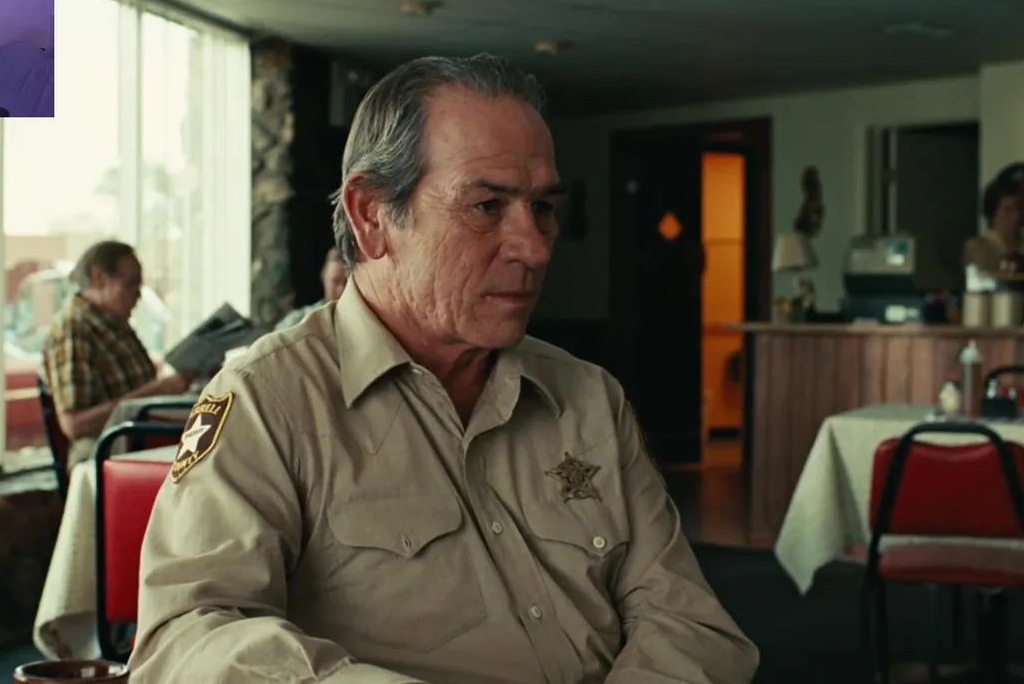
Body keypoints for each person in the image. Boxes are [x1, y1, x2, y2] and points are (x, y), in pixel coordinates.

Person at [130, 54, 758, 684]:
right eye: (487, 206)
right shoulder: (269, 402)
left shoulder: (589, 397)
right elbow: (187, 640)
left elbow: (687, 622)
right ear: (373, 215)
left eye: (543, 208)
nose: (535, 248)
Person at [41, 240, 193, 469]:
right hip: (106, 450)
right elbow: (74, 424)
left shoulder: (113, 323)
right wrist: (158, 390)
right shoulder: (75, 329)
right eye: (130, 285)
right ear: (99, 278)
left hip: (138, 437)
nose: (138, 295)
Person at [963, 176, 1024, 275]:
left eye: (1019, 208)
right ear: (993, 214)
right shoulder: (978, 248)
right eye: (1008, 210)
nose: (1016, 215)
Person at [274, 246, 348, 330]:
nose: (341, 289)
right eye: (335, 281)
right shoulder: (299, 321)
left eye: (346, 282)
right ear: (323, 277)